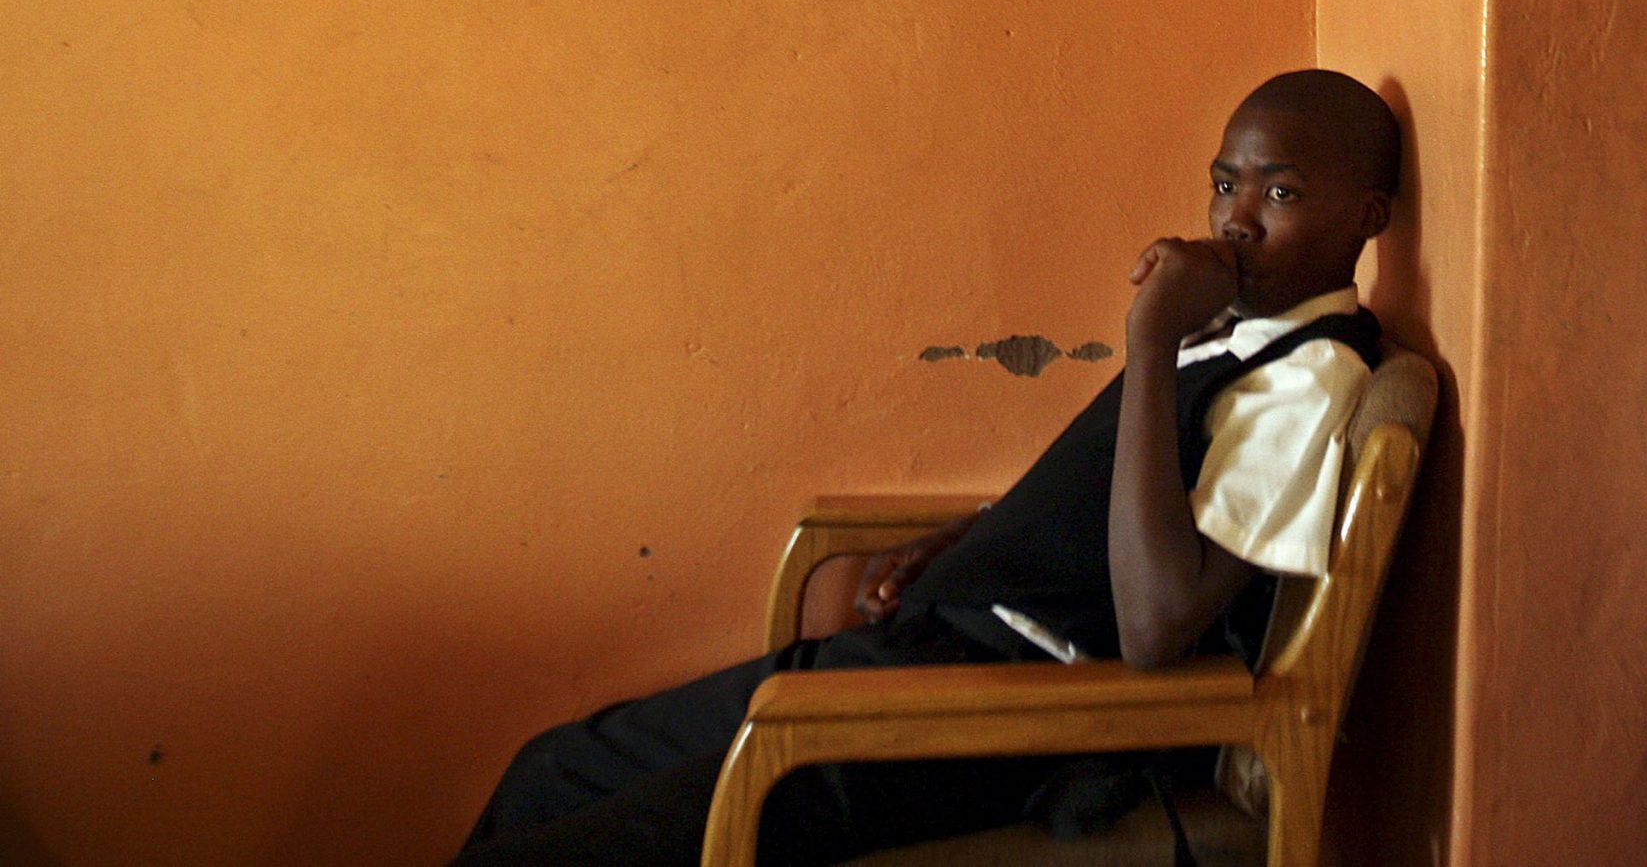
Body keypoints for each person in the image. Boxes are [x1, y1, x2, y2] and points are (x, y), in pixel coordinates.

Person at [451, 69, 1400, 866]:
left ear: (1367, 216)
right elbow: (1106, 494)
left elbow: (1156, 627)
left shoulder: (1312, 377)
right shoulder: (1244, 333)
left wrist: (1149, 346)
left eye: (1278, 193)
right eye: (1224, 183)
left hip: (1003, 711)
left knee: (579, 850)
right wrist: (968, 538)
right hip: (932, 646)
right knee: (553, 770)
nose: (1236, 220)